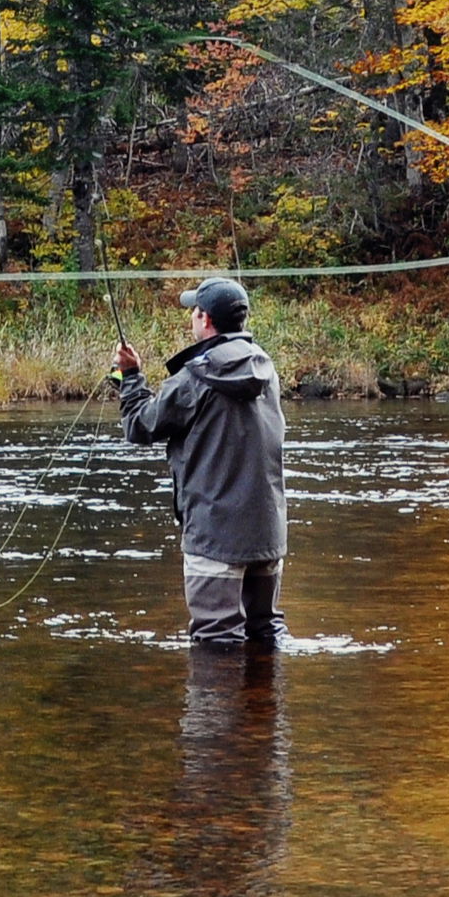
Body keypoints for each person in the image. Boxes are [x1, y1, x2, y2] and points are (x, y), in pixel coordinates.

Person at [109, 276, 289, 647]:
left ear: (205, 320)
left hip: (215, 536)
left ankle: (213, 709)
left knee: (216, 642)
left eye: (194, 311)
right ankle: (267, 705)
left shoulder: (194, 378)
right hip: (267, 534)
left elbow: (140, 426)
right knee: (264, 633)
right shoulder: (265, 369)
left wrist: (130, 377)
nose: (191, 317)